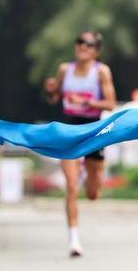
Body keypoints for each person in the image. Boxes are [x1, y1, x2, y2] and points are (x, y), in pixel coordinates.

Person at [43, 30, 116, 257]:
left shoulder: (101, 72)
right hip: (70, 131)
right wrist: (52, 90)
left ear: (96, 50)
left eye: (88, 44)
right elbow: (55, 99)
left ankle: (92, 180)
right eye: (79, 42)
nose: (82, 46)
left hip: (94, 130)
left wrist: (86, 101)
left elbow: (111, 104)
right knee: (72, 187)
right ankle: (74, 240)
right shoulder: (66, 70)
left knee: (92, 193)